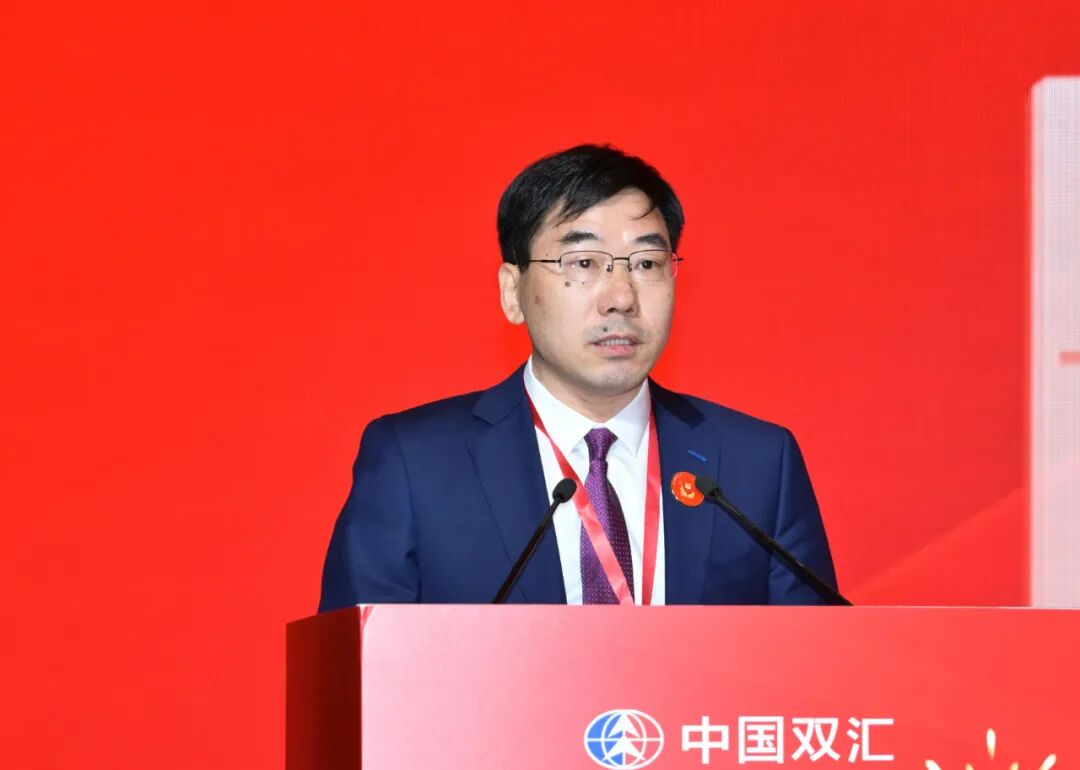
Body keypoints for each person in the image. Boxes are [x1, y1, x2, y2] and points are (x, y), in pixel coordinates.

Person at [318, 144, 837, 609]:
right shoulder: (415, 465)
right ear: (513, 292)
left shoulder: (756, 466)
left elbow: (818, 669)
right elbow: (355, 672)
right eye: (583, 262)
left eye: (647, 264)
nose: (621, 296)